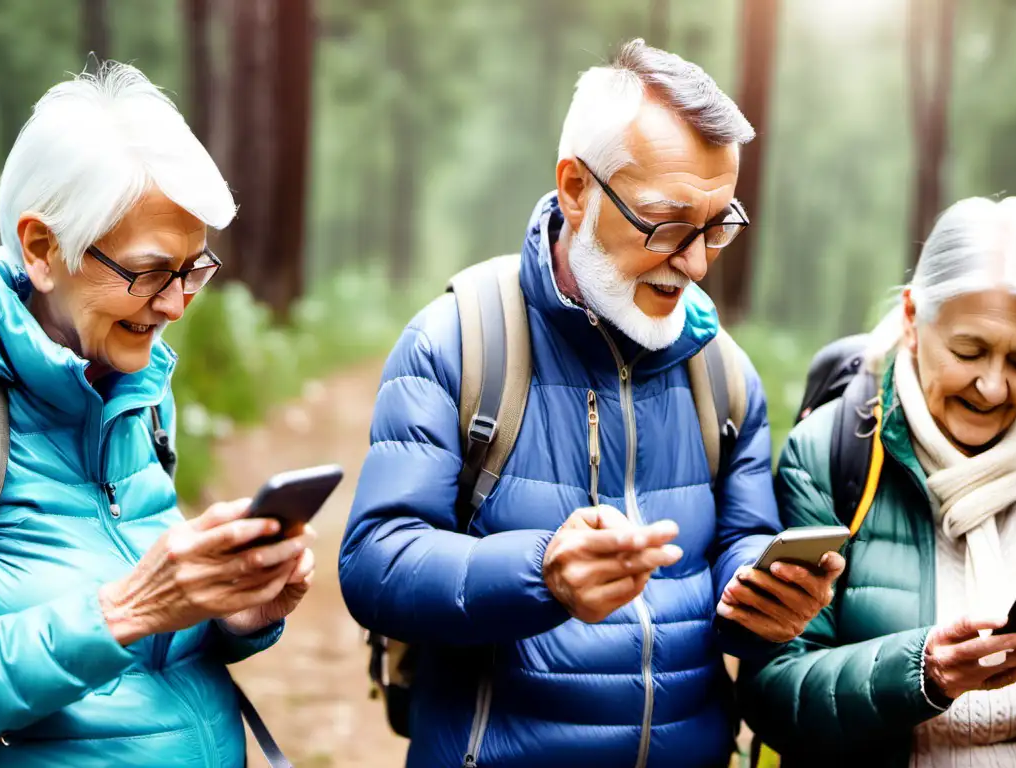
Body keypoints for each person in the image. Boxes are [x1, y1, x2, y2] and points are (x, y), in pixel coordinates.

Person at [339, 40, 841, 768]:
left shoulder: (725, 373)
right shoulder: (459, 340)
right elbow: (376, 564)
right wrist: (541, 571)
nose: (696, 262)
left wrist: (765, 593)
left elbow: (738, 550)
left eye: (719, 225)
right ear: (575, 188)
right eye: (666, 225)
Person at [0, 62, 314, 767]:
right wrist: (121, 614)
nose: (174, 304)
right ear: (44, 250)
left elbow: (152, 649)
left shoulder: (135, 393)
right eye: (148, 272)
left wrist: (233, 615)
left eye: (194, 269)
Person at [739, 197, 1016, 766]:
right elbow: (775, 690)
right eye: (969, 351)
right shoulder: (833, 457)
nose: (993, 387)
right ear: (911, 318)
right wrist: (919, 673)